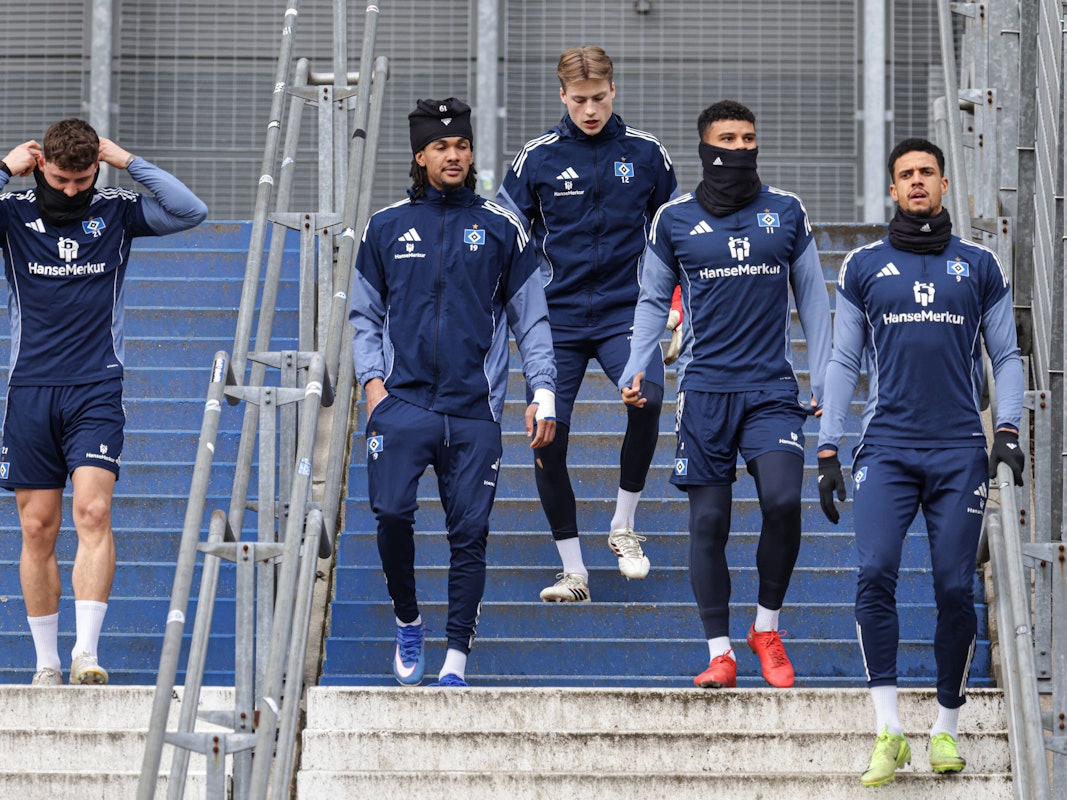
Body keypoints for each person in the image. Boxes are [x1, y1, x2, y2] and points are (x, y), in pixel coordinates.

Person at [816, 137, 1024, 786]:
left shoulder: (979, 265)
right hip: (886, 449)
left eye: (926, 172)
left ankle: (944, 728)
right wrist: (827, 444)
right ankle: (888, 730)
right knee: (875, 571)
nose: (915, 181)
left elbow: (1006, 356)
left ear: (942, 183)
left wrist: (1008, 429)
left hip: (959, 450)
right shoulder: (863, 265)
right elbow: (843, 359)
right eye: (904, 174)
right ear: (891, 188)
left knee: (954, 586)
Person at [620, 100, 832, 690]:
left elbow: (815, 302)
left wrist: (825, 379)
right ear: (705, 148)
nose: (740, 149)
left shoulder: (786, 211)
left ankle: (766, 629)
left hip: (771, 390)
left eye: (747, 139)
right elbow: (651, 300)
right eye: (728, 139)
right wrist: (636, 366)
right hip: (705, 392)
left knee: (783, 503)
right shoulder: (673, 219)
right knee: (709, 523)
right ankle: (721, 653)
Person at [350, 97, 557, 687]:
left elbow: (531, 320)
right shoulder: (385, 226)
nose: (454, 155)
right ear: (420, 155)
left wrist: (543, 388)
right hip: (402, 404)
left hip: (474, 410)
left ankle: (456, 660)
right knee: (392, 515)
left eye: (462, 145)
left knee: (469, 535)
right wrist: (372, 384)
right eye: (441, 146)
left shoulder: (501, 227)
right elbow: (364, 315)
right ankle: (408, 619)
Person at [0, 118, 208, 685]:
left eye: (83, 179)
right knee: (37, 526)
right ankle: (46, 665)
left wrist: (129, 162)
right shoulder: (13, 212)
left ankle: (86, 655)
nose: (72, 191)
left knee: (92, 512)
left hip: (96, 387)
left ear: (97, 167)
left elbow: (191, 211)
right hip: (30, 389)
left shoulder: (115, 210)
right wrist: (2, 170)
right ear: (41, 165)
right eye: (61, 180)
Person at [496, 46, 678, 603]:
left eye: (599, 98)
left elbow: (676, 233)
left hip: (627, 311)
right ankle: (573, 571)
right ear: (562, 96)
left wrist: (674, 304)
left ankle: (623, 525)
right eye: (579, 101)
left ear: (613, 90)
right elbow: (505, 236)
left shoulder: (646, 153)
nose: (591, 110)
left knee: (648, 399)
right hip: (557, 319)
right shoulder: (536, 158)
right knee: (547, 434)